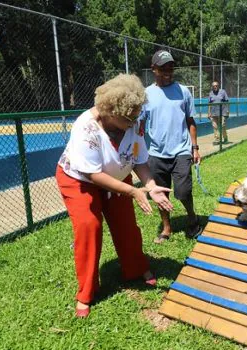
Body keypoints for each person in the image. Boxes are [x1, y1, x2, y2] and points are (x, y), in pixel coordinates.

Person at [56, 74, 174, 318]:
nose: (133, 123)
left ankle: (136, 268)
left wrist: (150, 186)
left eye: (135, 116)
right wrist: (132, 191)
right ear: (109, 111)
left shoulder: (133, 119)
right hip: (80, 180)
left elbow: (139, 160)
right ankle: (86, 293)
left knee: (127, 226)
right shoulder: (85, 127)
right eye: (127, 119)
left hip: (118, 176)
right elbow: (93, 175)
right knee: (89, 226)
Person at [142, 50, 203, 244]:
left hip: (181, 150)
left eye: (171, 67)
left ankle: (192, 217)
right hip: (156, 153)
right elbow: (140, 126)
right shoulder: (146, 95)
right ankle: (166, 227)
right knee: (160, 193)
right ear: (154, 69)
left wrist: (195, 147)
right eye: (163, 68)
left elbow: (190, 121)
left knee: (183, 191)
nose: (168, 71)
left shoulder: (183, 91)